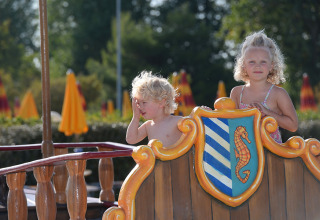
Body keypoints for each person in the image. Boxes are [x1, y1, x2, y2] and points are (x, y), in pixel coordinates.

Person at [230, 30, 298, 143]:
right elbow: (229, 122)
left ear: (271, 66)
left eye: (263, 62)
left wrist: (267, 112)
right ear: (243, 66)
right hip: (245, 153)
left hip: (272, 155)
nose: (258, 66)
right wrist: (211, 114)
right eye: (252, 62)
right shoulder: (237, 93)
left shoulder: (278, 94)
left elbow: (293, 125)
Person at [126, 71, 183, 148]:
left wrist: (203, 113)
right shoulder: (148, 126)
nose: (140, 107)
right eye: (138, 103)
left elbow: (197, 127)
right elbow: (130, 139)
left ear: (161, 103)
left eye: (144, 102)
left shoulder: (178, 122)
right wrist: (136, 116)